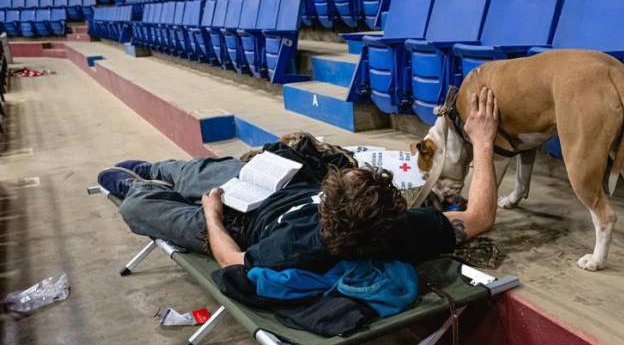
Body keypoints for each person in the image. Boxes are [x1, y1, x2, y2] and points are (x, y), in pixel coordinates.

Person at [102, 88, 501, 273]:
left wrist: (212, 216)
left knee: (142, 207)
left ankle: (144, 185)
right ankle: (157, 172)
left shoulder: (292, 246)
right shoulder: (403, 227)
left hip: (238, 224)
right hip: (279, 185)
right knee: (196, 170)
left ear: (328, 209)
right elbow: (480, 217)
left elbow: (233, 261)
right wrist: (483, 142)